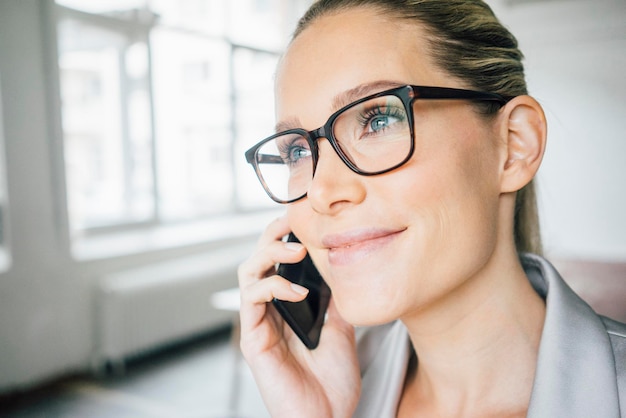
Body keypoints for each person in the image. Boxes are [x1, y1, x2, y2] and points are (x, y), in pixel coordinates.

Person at [237, 0, 626, 416]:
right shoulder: (338, 387)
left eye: (378, 119)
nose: (321, 193)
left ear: (514, 144)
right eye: (297, 150)